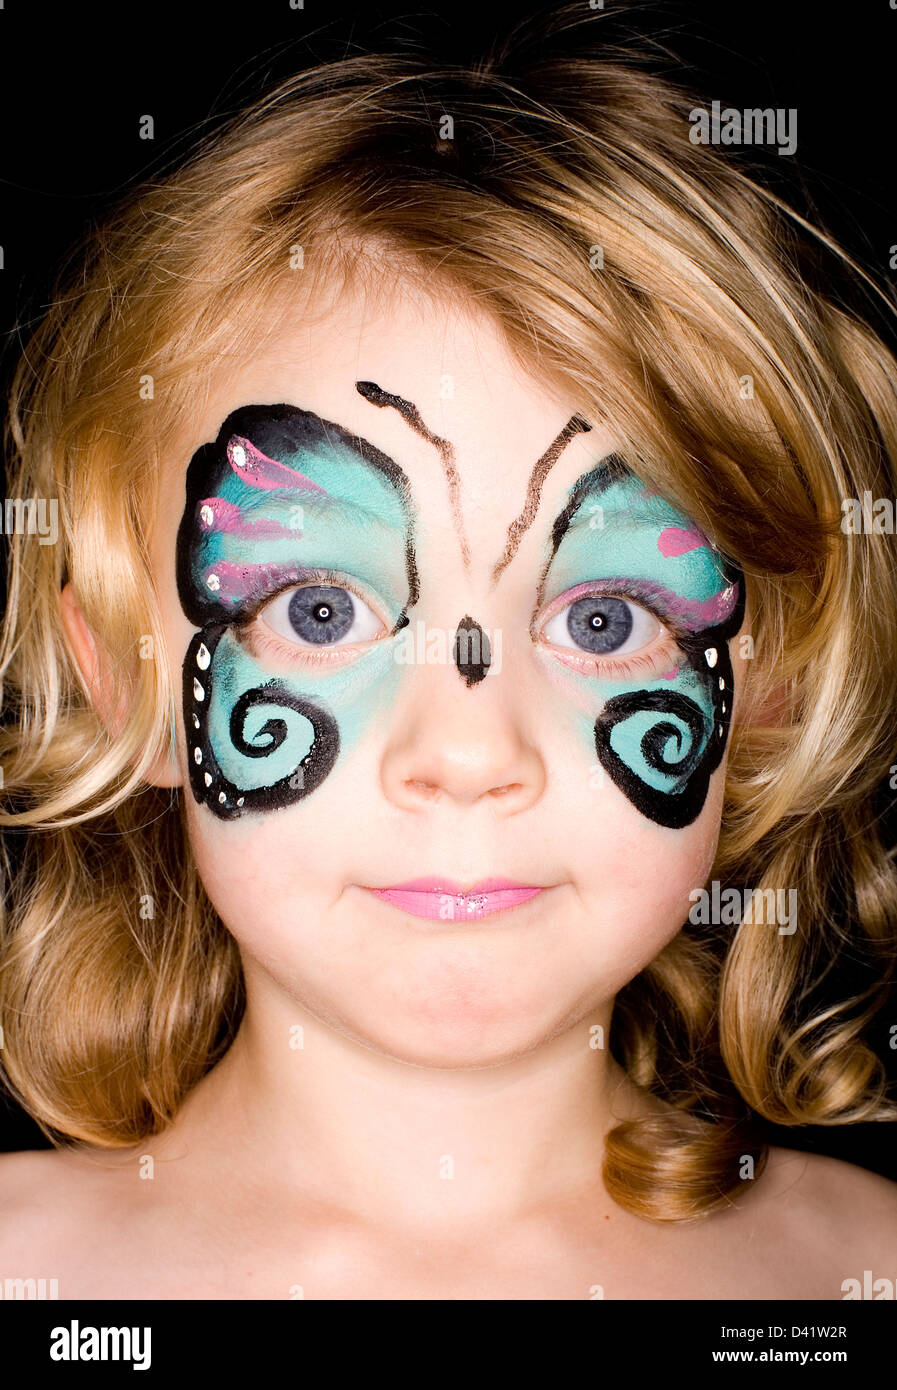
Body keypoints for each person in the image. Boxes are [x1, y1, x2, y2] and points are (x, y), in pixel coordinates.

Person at [1, 13, 896, 1299]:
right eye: (319, 612)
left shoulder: (862, 1275)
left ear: (769, 684)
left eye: (603, 621)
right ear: (131, 685)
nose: (470, 755)